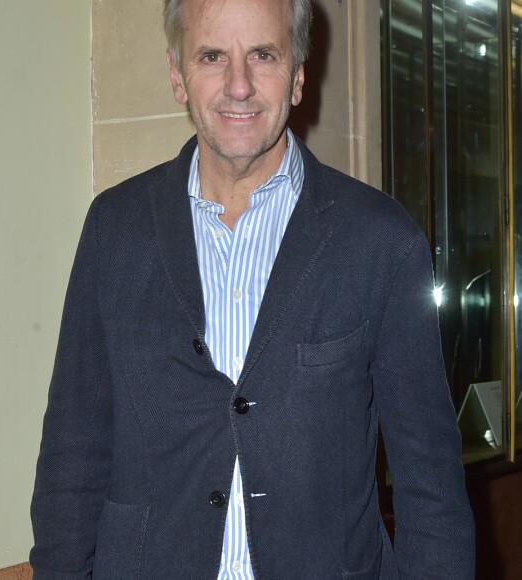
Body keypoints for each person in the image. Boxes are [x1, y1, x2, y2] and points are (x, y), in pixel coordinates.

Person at [30, 0, 475, 577]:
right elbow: (71, 459)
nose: (238, 85)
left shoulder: (382, 242)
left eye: (262, 54)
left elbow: (430, 486)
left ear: (297, 76)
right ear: (176, 76)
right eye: (211, 56)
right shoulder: (114, 232)